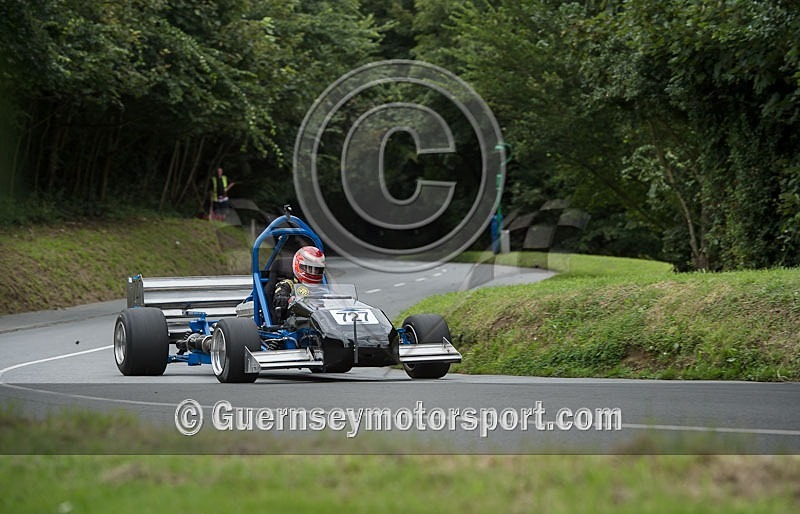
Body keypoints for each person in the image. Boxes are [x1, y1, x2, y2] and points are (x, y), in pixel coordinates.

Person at [272, 246, 326, 322]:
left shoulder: (322, 288)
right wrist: (291, 300)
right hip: (294, 324)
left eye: (317, 270)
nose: (313, 273)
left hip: (321, 323)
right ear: (298, 265)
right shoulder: (287, 284)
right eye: (309, 268)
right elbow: (278, 299)